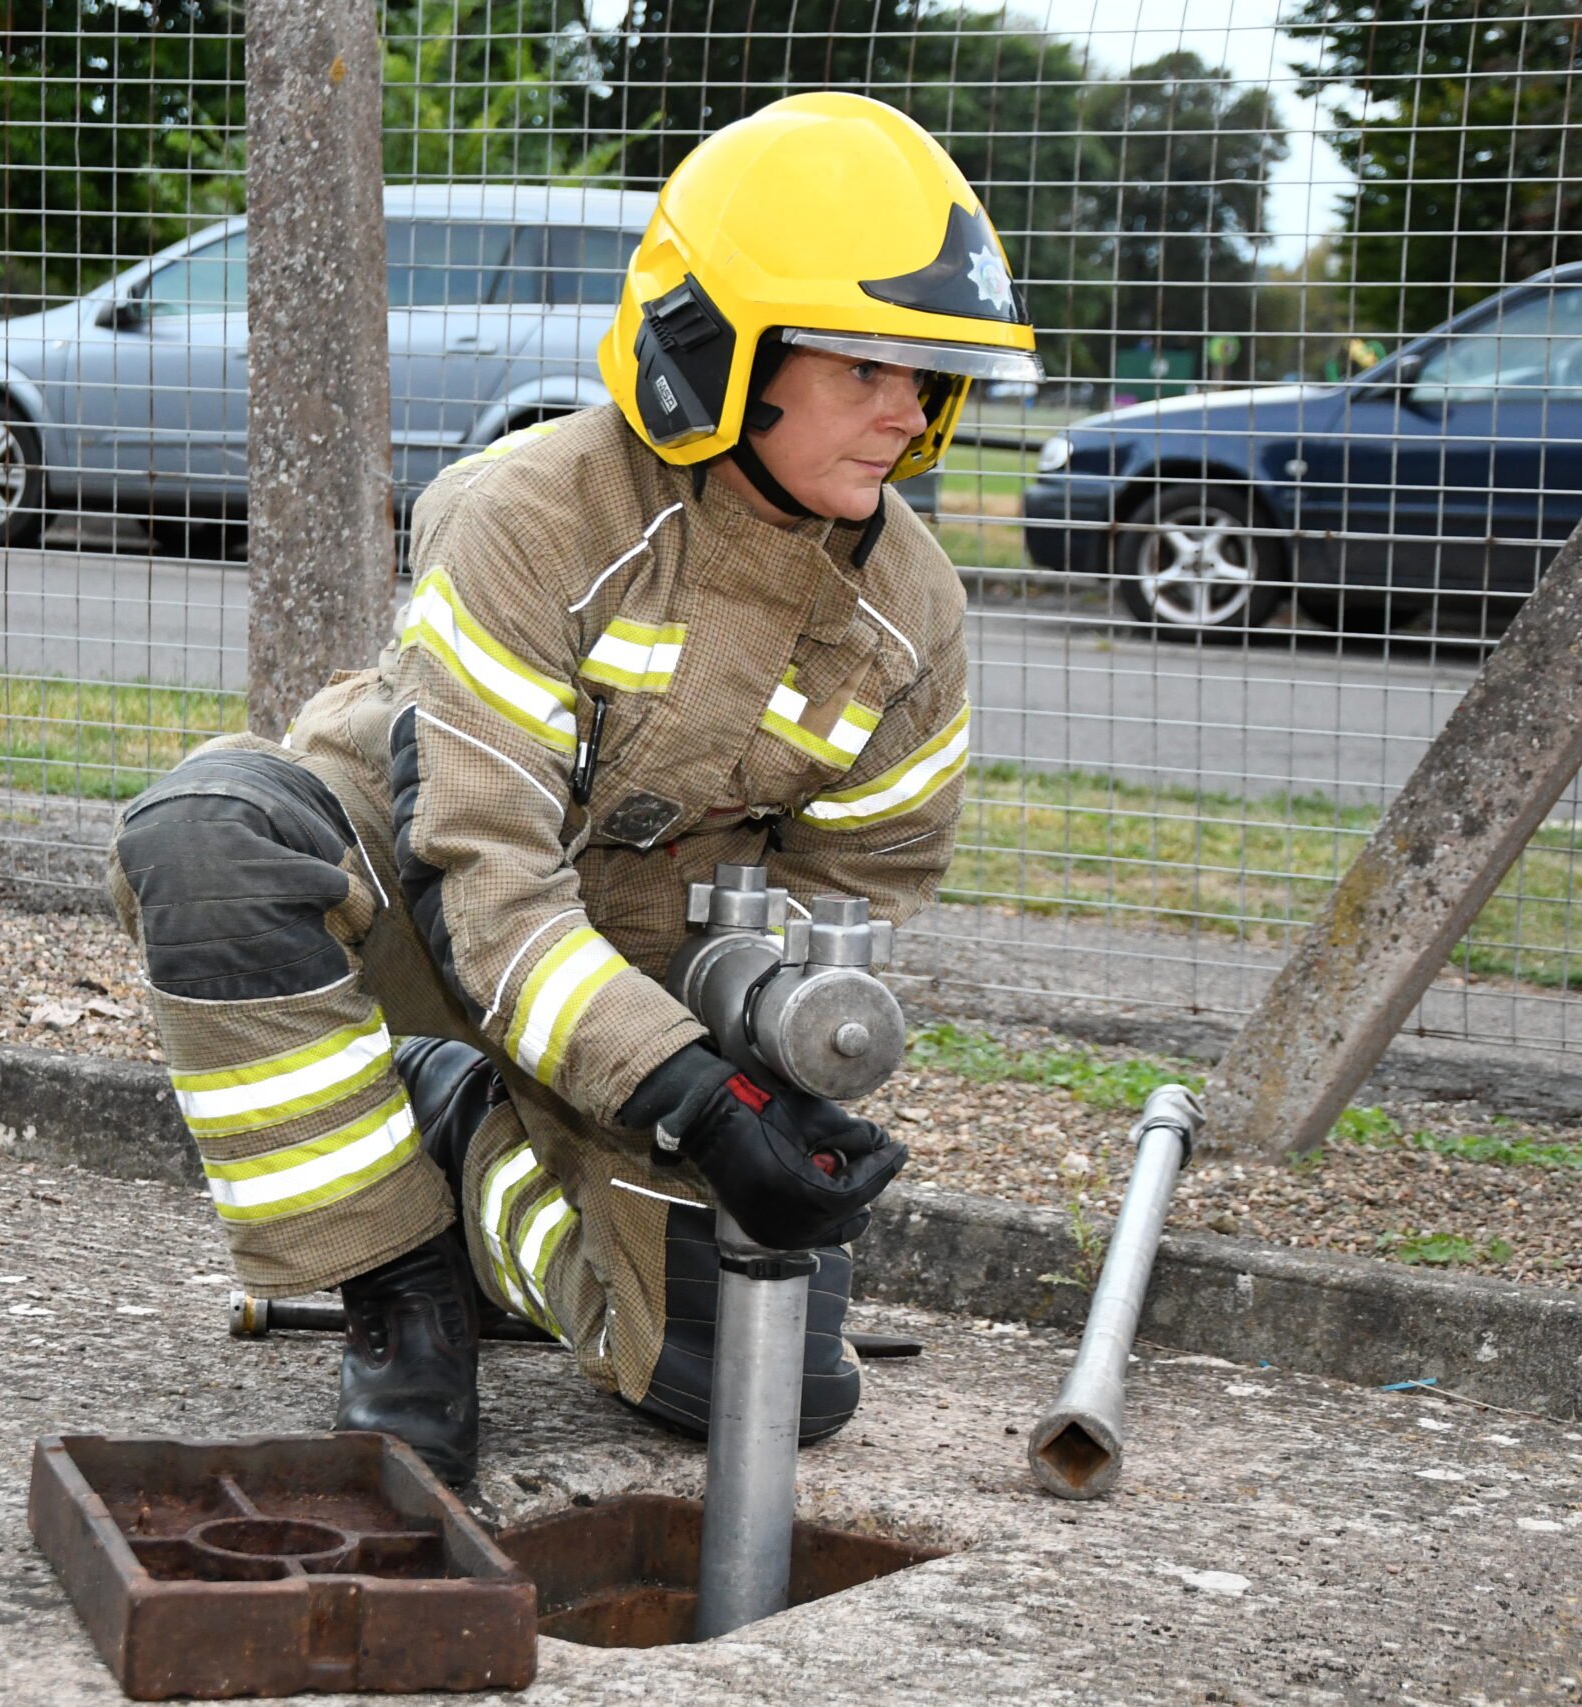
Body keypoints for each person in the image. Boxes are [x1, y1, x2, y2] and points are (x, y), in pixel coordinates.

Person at [109, 91, 1042, 1484]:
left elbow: (854, 898)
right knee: (208, 835)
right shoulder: (534, 515)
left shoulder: (913, 611)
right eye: (866, 369)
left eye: (929, 376)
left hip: (645, 988)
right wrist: (690, 1101)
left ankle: (463, 1140)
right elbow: (485, 880)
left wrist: (774, 1080)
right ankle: (396, 1286)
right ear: (716, 352)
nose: (909, 414)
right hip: (421, 914)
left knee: (750, 1394)